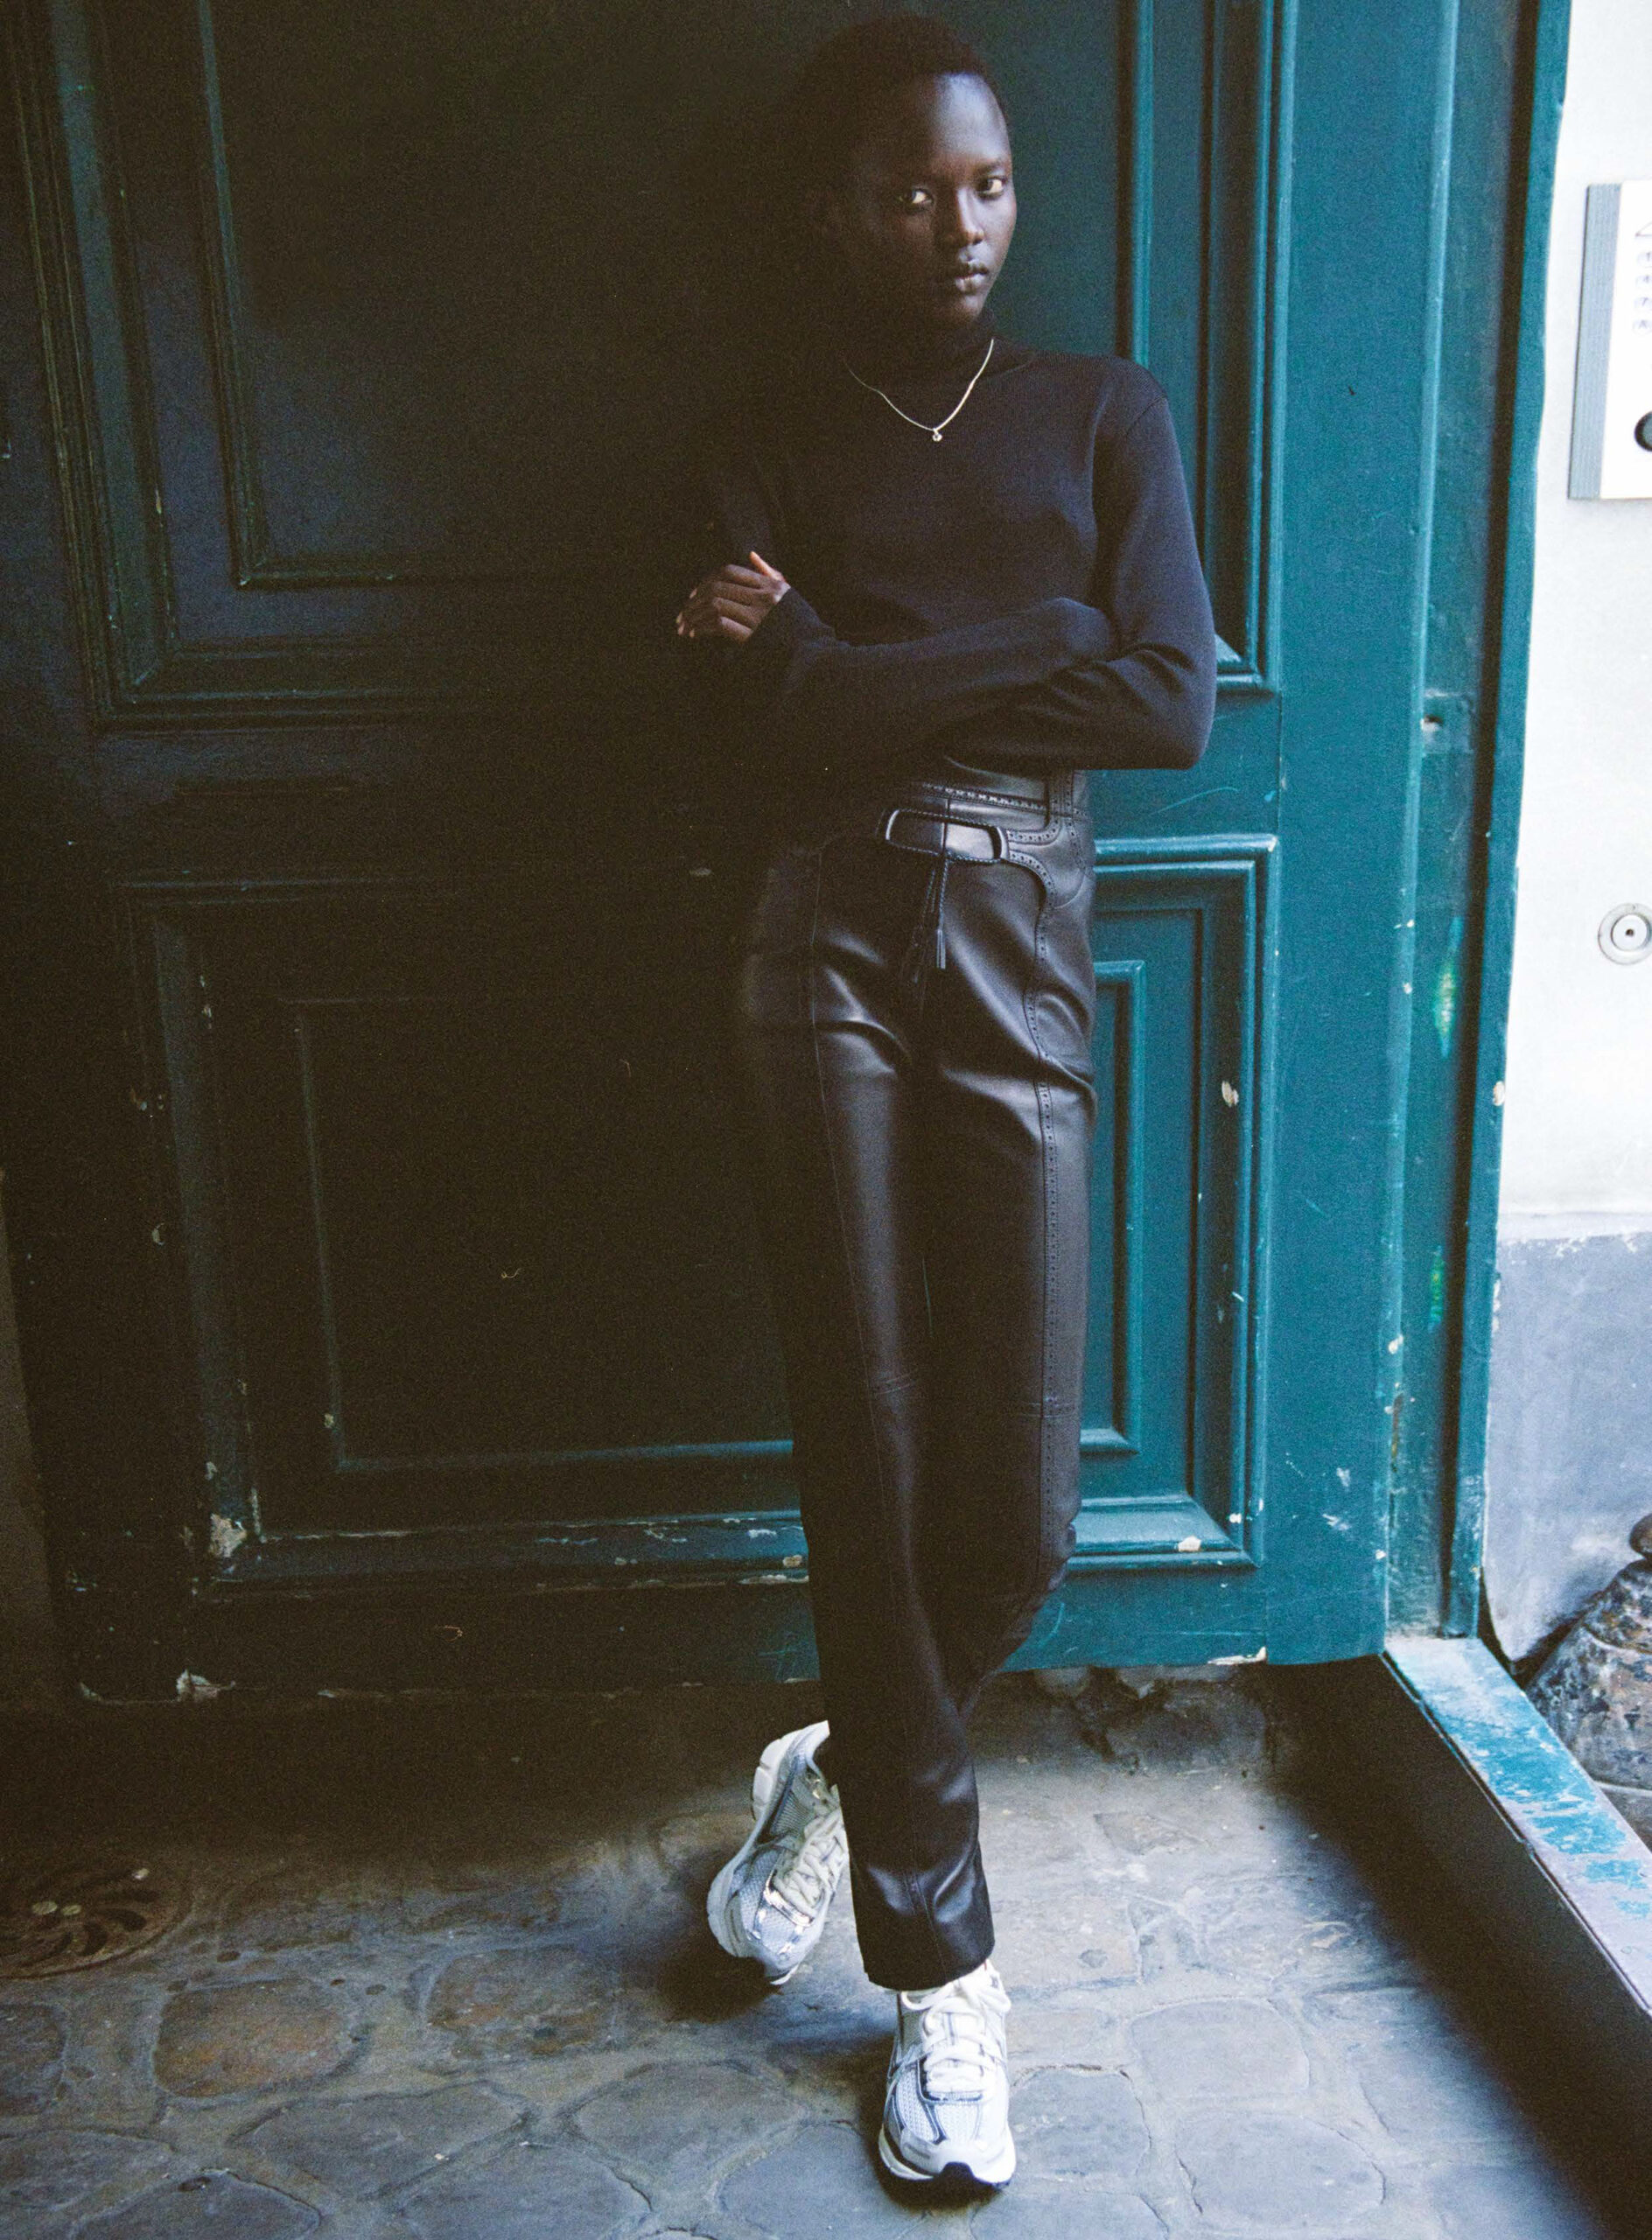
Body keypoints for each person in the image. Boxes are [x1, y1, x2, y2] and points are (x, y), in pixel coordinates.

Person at [676, 14, 1215, 2190]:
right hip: (816, 942)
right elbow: (760, 731)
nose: (959, 223)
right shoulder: (757, 430)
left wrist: (839, 665)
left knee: (1012, 1508)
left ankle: (832, 1767)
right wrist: (1028, 639)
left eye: (983, 184)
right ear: (833, 212)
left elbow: (1166, 700)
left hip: (1016, 940)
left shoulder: (1103, 411)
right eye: (909, 191)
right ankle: (938, 1969)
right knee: (867, 1436)